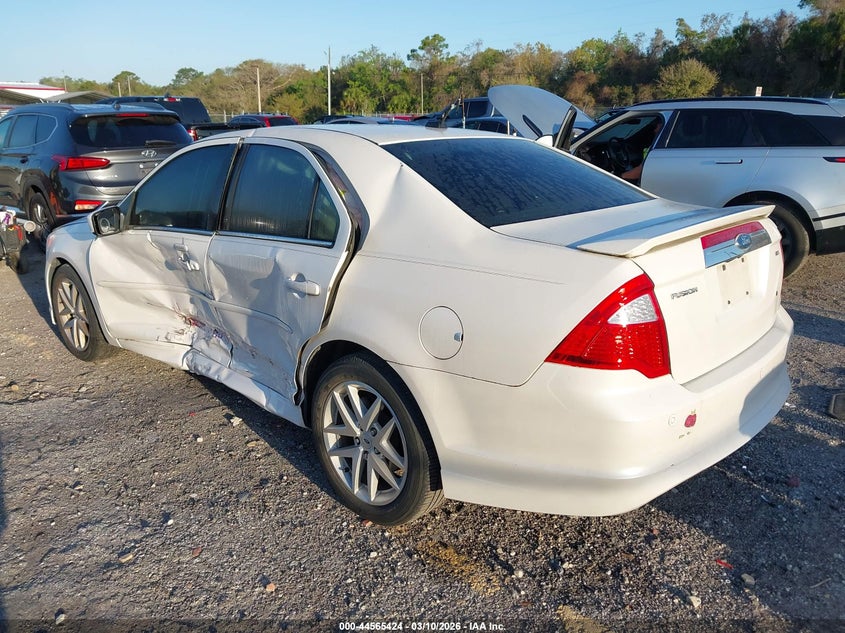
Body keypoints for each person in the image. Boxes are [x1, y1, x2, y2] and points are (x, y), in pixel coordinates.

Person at [622, 118, 663, 183]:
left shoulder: (660, 147)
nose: (655, 130)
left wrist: (619, 177)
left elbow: (640, 171)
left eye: (657, 126)